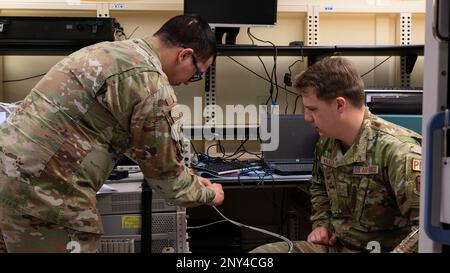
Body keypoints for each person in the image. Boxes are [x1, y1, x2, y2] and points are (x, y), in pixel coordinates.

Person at [0, 14, 224, 253]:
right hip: (46, 199)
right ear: (185, 55)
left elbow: (136, 140)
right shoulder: (150, 84)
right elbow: (167, 179)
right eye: (197, 74)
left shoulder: (106, 52)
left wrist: (187, 175)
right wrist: (208, 194)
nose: (189, 80)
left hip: (8, 181)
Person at [251, 57, 421, 253]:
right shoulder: (327, 142)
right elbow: (319, 187)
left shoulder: (398, 152)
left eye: (312, 109)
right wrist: (322, 224)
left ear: (340, 105)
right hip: (339, 247)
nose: (307, 118)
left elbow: (424, 228)